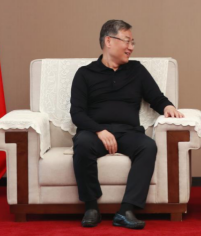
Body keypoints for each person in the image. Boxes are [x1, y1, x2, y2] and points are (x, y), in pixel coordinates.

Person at [70, 19, 184, 229]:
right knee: (82, 144)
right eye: (127, 41)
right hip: (95, 134)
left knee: (148, 146)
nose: (131, 47)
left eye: (133, 42)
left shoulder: (137, 70)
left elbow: (156, 97)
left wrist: (168, 106)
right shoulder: (84, 74)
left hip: (128, 132)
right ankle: (91, 207)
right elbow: (77, 113)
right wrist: (99, 130)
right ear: (109, 41)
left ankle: (126, 210)